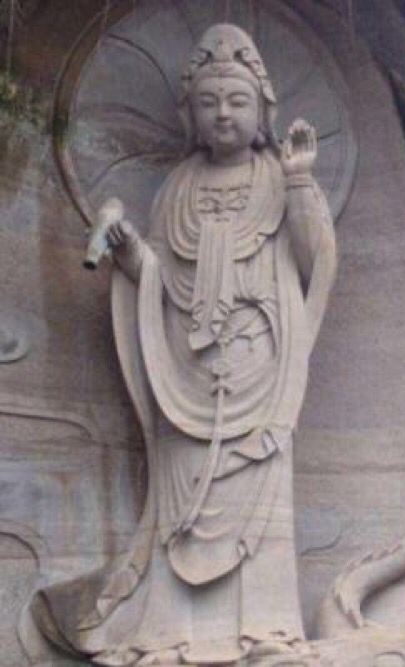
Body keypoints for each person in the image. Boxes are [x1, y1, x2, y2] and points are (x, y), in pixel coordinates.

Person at [31, 24, 337, 665]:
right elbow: (164, 279)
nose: (223, 113)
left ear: (262, 109)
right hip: (187, 368)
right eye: (209, 102)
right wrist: (127, 248)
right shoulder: (177, 188)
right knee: (181, 508)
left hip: (258, 363)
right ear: (189, 113)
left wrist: (301, 182)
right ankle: (170, 634)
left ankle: (267, 632)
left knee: (259, 503)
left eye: (237, 100)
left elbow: (314, 264)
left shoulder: (278, 178)